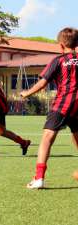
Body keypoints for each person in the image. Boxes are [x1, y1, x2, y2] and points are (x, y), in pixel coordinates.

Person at [20, 27, 78, 189]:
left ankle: (39, 178)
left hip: (63, 103)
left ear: (60, 45)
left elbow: (43, 82)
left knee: (47, 138)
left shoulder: (58, 60)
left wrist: (27, 93)